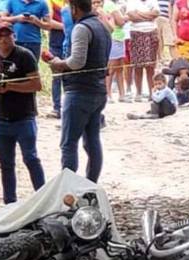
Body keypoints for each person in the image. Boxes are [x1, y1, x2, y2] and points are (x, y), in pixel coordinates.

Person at [0, 23, 46, 204]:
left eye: (7, 35)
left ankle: (43, 197)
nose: (4, 39)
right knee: (6, 165)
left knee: (31, 158)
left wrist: (9, 86)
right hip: (0, 119)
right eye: (0, 36)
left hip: (24, 117)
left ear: (14, 37)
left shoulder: (25, 56)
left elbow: (36, 85)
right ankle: (10, 203)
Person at [48, 0, 111, 183]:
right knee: (92, 141)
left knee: (69, 143)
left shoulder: (81, 28)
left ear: (75, 9)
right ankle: (91, 184)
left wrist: (59, 64)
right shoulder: (102, 26)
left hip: (79, 91)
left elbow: (77, 62)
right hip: (98, 89)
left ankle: (69, 187)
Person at [125, 0, 159, 102]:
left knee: (150, 66)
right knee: (137, 65)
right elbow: (132, 16)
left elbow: (156, 14)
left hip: (151, 32)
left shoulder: (153, 1)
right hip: (136, 32)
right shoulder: (131, 2)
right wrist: (148, 16)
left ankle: (151, 92)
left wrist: (139, 13)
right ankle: (138, 93)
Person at [101, 0, 128, 102]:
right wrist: (126, 17)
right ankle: (108, 94)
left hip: (119, 37)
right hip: (114, 37)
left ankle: (122, 94)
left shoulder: (111, 4)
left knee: (120, 68)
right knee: (111, 68)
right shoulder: (110, 4)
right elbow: (120, 22)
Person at [46, 0, 66, 118]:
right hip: (56, 42)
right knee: (56, 76)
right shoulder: (51, 2)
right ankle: (57, 107)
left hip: (70, 42)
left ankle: (68, 107)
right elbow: (49, 22)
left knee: (70, 76)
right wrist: (67, 26)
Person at [155, 0, 176, 64]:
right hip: (157, 17)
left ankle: (175, 60)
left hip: (168, 18)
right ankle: (160, 59)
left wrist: (172, 19)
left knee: (171, 40)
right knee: (158, 40)